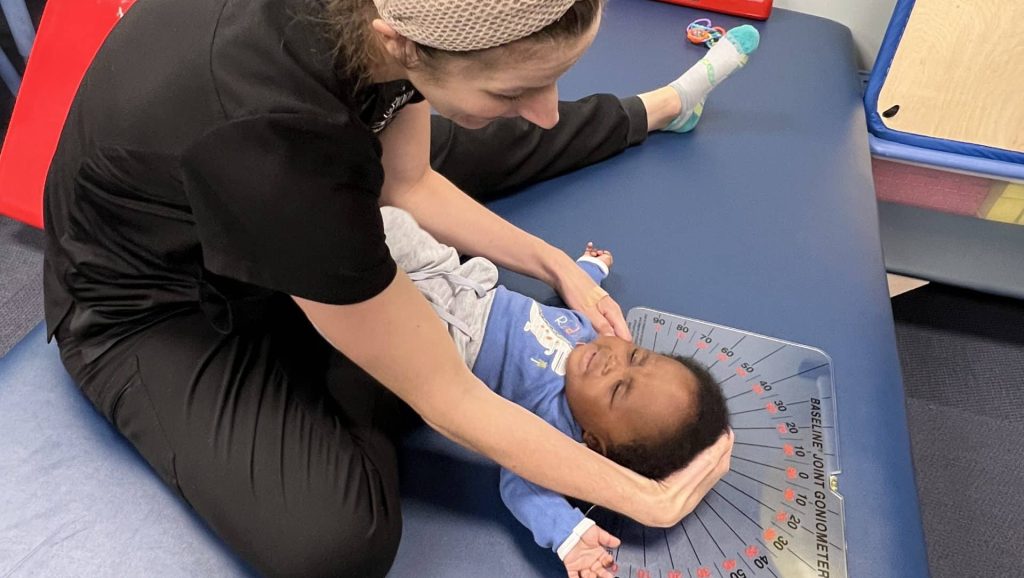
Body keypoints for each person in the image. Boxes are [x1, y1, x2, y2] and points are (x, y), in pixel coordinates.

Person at [42, 0, 743, 575]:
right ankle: (359, 344)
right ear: (399, 44)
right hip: (151, 303)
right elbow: (449, 396)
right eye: (515, 88)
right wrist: (645, 497)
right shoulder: (282, 155)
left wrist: (553, 263)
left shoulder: (395, 20)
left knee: (474, 140)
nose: (545, 110)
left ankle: (656, 107)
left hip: (264, 200)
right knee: (338, 544)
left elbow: (409, 182)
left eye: (554, 77)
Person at [380, 206, 731, 577]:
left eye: (617, 390)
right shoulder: (589, 337)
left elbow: (523, 485)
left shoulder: (554, 429)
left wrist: (568, 534)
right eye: (636, 356)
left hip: (443, 333)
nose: (612, 361)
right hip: (459, 279)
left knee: (376, 303)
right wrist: (591, 268)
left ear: (593, 442)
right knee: (392, 223)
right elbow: (575, 299)